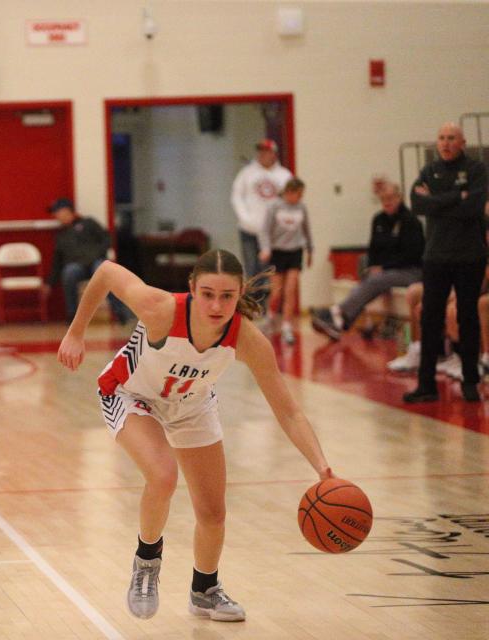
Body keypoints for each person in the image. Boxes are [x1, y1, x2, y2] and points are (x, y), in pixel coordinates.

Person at [56, 250, 333, 623]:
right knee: (163, 475)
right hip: (130, 393)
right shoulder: (159, 308)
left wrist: (323, 468)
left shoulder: (248, 340)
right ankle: (147, 561)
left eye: (226, 296)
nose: (216, 305)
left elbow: (288, 410)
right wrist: (75, 332)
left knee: (213, 511)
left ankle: (205, 591)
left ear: (239, 294)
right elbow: (105, 271)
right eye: (207, 294)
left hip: (191, 403)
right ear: (191, 288)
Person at [403, 123, 487, 404]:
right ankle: (426, 384)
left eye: (452, 138)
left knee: (468, 317)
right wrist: (455, 198)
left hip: (469, 256)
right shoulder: (429, 170)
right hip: (436, 256)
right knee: (430, 318)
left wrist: (437, 201)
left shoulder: (477, 170)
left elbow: (473, 207)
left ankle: (470, 382)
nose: (446, 143)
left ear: (462, 142)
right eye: (441, 138)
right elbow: (417, 205)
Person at [311, 182, 424, 340]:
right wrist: (372, 266)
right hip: (387, 272)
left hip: (410, 271)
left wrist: (383, 267)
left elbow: (412, 255)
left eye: (391, 197)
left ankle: (338, 314)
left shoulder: (411, 221)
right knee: (369, 273)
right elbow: (373, 250)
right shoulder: (378, 220)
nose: (387, 201)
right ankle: (340, 321)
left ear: (400, 197)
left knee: (377, 278)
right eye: (383, 198)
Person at [230, 139, 293, 310]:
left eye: (266, 152)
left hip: (273, 234)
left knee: (270, 272)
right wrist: (246, 219)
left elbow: (289, 203)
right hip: (249, 231)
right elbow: (237, 197)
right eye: (260, 152)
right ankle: (251, 308)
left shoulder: (284, 176)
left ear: (274, 153)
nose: (263, 155)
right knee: (251, 270)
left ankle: (267, 309)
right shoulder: (246, 173)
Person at [42, 198, 128, 322]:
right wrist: (50, 283)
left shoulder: (89, 223)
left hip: (95, 260)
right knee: (69, 272)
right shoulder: (61, 235)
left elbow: (107, 239)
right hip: (76, 266)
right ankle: (72, 315)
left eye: (57, 212)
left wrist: (98, 253)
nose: (56, 216)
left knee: (102, 270)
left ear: (67, 211)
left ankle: (119, 311)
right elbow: (57, 261)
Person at [258, 177, 313, 345]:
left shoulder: (301, 207)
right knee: (277, 293)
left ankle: (287, 326)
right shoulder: (274, 206)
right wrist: (266, 248)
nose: (301, 197)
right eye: (299, 194)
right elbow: (265, 231)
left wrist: (310, 250)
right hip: (277, 252)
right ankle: (270, 317)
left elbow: (306, 229)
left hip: (295, 252)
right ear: (290, 192)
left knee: (290, 291)